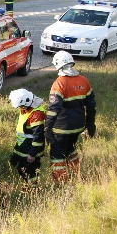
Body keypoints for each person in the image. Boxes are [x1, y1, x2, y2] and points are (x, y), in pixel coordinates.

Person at [45, 51, 96, 182]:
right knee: (71, 148)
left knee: (57, 155)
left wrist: (47, 129)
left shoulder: (59, 83)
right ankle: (76, 173)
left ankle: (61, 182)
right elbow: (91, 106)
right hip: (78, 126)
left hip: (61, 129)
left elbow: (53, 109)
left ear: (58, 65)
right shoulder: (84, 81)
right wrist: (90, 124)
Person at [8, 88, 47, 184]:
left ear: (26, 102)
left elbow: (38, 136)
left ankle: (33, 190)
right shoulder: (27, 108)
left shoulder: (36, 114)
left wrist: (32, 154)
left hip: (30, 150)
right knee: (16, 164)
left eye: (21, 106)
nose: (20, 108)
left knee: (30, 172)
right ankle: (27, 185)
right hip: (23, 146)